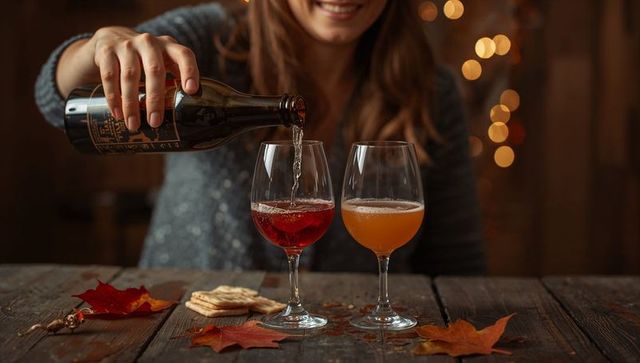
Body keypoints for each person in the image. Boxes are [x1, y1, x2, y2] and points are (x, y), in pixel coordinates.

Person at [35, 0, 485, 274]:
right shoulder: (211, 39)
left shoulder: (431, 89)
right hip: (183, 325)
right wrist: (98, 47)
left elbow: (455, 261)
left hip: (355, 339)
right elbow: (55, 101)